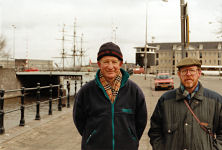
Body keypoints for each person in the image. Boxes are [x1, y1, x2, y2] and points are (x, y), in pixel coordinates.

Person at [73, 42, 147, 150]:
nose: (110, 66)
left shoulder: (134, 91)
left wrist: (132, 138)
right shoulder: (86, 91)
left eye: (114, 62)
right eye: (106, 62)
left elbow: (141, 121)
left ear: (120, 64)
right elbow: (79, 120)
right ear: (99, 64)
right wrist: (91, 136)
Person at [148, 57, 222, 150]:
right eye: (184, 71)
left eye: (192, 70)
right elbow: (155, 132)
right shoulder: (165, 100)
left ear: (199, 73)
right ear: (179, 74)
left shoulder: (216, 101)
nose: (188, 74)